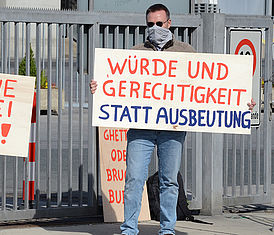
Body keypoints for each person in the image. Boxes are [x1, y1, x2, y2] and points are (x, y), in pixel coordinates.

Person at [89, 4, 256, 235]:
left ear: (169, 23)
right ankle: (129, 229)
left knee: (169, 181)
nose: (154, 28)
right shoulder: (135, 52)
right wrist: (99, 88)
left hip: (173, 127)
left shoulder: (186, 51)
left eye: (159, 23)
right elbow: (117, 85)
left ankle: (167, 229)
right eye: (150, 25)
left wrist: (240, 102)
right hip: (141, 128)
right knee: (133, 179)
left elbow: (209, 87)